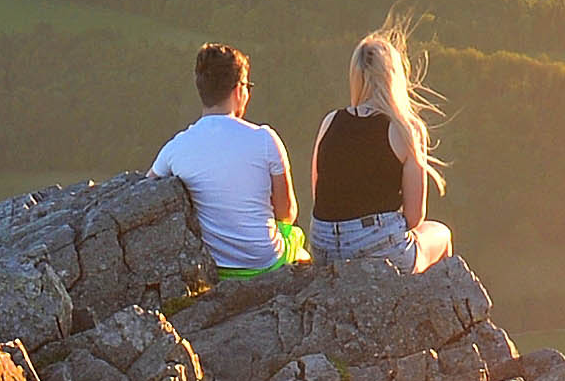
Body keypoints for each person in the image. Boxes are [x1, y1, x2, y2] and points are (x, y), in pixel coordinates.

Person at [150, 42, 304, 280]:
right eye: (247, 86)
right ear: (238, 90)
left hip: (212, 267)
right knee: (299, 248)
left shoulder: (176, 148)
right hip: (265, 262)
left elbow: (143, 190)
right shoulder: (265, 139)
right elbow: (287, 212)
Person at [306, 23, 454, 271]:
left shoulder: (330, 121)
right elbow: (414, 218)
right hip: (378, 248)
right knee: (441, 233)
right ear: (394, 76)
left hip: (324, 247)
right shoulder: (406, 130)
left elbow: (319, 193)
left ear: (355, 77)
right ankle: (431, 305)